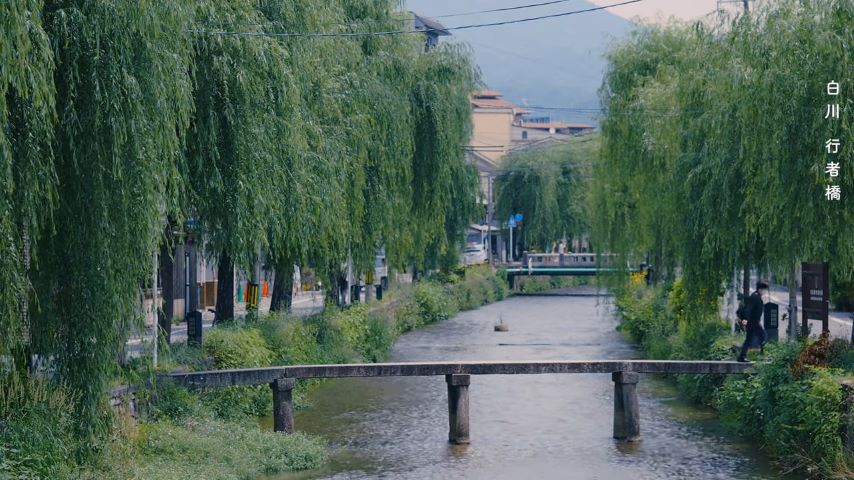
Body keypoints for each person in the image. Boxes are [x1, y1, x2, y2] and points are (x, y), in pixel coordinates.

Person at [737, 280, 769, 362]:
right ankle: (762, 355)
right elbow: (749, 309)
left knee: (750, 339)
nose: (765, 291)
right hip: (753, 322)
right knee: (762, 337)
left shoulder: (756, 296)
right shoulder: (755, 297)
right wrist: (746, 319)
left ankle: (742, 356)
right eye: (764, 289)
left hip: (753, 322)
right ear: (760, 289)